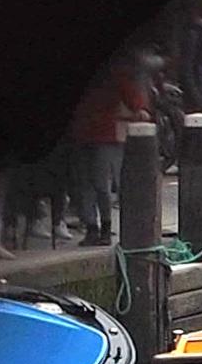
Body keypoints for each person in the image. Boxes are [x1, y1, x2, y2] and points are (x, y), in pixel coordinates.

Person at [64, 47, 152, 242]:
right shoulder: (113, 70)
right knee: (94, 183)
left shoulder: (112, 72)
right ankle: (96, 226)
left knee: (95, 183)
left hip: (97, 132)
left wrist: (138, 106)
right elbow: (130, 93)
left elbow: (128, 91)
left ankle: (99, 226)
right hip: (94, 132)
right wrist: (139, 108)